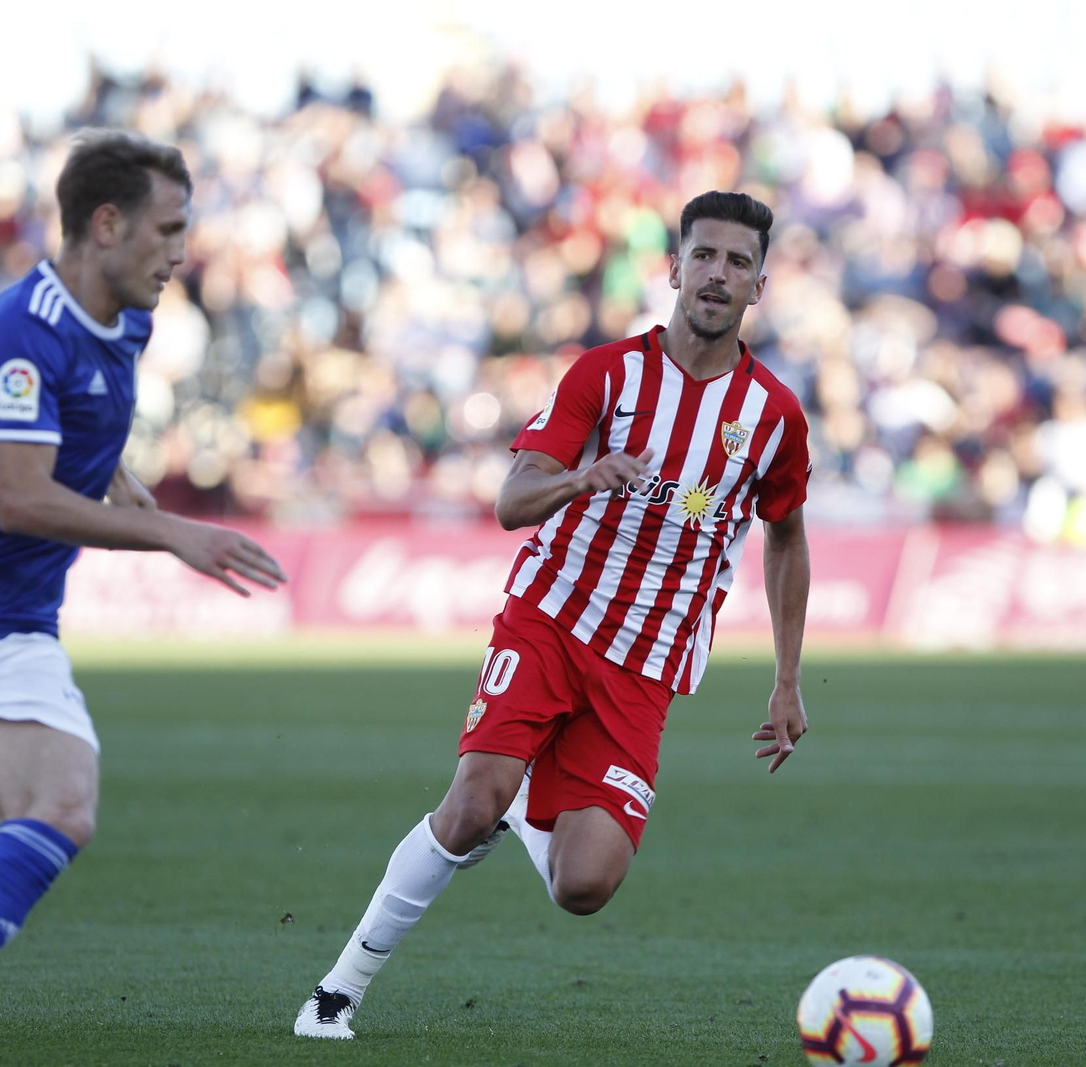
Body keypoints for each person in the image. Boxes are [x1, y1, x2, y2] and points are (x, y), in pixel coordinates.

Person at [0, 129, 286, 1067]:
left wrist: (113, 475)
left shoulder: (132, 315)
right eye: (168, 227)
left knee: (62, 804)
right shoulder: (20, 329)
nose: (182, 250)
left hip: (10, 629)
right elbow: (19, 497)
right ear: (105, 224)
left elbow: (77, 423)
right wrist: (172, 532)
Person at [294, 191, 813, 1040]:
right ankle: (336, 993)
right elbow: (512, 500)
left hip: (646, 666)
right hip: (552, 618)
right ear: (674, 267)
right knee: (467, 803)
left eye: (739, 262)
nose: (719, 273)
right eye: (706, 256)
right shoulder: (605, 373)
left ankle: (519, 799)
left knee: (585, 886)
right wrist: (581, 477)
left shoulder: (775, 417)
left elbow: (786, 540)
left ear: (759, 285)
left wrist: (787, 678)